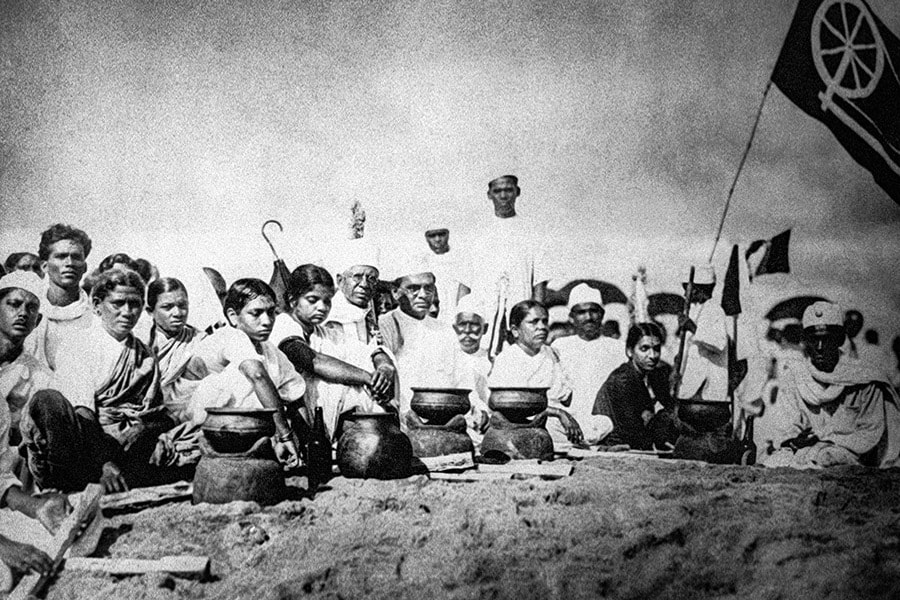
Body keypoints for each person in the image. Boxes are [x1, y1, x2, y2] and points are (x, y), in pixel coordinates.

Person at [20, 269, 174, 493]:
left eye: (135, 304)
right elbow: (83, 413)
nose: (127, 312)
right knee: (48, 400)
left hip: (130, 443)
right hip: (84, 445)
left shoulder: (145, 354)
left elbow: (159, 414)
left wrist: (144, 427)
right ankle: (71, 487)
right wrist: (105, 464)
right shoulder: (79, 344)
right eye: (118, 303)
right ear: (96, 305)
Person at [762, 301, 900, 469]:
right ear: (805, 340)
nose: (819, 347)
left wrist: (826, 442)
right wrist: (794, 440)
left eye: (826, 339)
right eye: (814, 339)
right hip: (802, 451)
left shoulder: (865, 381)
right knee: (772, 463)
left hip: (848, 456)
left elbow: (870, 431)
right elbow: (788, 425)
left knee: (824, 458)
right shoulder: (795, 377)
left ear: (839, 339)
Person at [0, 270, 71, 587]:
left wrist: (34, 505)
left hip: (20, 472)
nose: (22, 313)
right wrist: (5, 547)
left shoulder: (34, 374)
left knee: (49, 545)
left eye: (30, 307)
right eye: (14, 304)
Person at [186, 279, 304, 467]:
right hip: (198, 421)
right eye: (256, 313)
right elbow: (257, 376)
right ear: (233, 317)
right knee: (249, 378)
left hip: (238, 424)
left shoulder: (270, 350)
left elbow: (295, 391)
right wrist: (285, 436)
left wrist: (306, 439)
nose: (267, 321)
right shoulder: (230, 336)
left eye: (271, 312)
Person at [270, 264, 392, 440]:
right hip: (289, 417)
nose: (322, 307)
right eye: (312, 300)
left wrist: (384, 366)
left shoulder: (323, 333)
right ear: (292, 299)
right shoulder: (283, 325)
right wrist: (367, 377)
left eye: (327, 301)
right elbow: (313, 361)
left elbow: (368, 351)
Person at [489, 300, 612, 446]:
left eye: (544, 321)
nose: (541, 327)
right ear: (516, 330)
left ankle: (575, 443)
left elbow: (565, 396)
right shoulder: (508, 358)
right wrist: (558, 413)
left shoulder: (551, 353)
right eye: (533, 322)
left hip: (557, 417)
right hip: (527, 420)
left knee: (605, 422)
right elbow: (510, 404)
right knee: (549, 427)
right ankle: (578, 444)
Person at [472, 176, 548, 358]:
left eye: (508, 190)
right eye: (498, 191)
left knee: (518, 358)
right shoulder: (478, 232)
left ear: (517, 192)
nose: (503, 195)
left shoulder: (532, 232)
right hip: (485, 308)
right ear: (489, 195)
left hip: (519, 306)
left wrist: (535, 320)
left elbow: (539, 282)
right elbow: (465, 282)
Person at [379, 261, 465, 416]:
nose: (423, 295)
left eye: (428, 288)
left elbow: (463, 378)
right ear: (395, 292)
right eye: (413, 288)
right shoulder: (385, 324)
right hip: (401, 419)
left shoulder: (445, 331)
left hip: (444, 418)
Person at [552, 284, 625, 434]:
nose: (588, 317)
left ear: (602, 314)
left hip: (607, 421)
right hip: (570, 422)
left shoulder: (618, 348)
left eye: (593, 311)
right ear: (571, 317)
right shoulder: (560, 346)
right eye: (581, 312)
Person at [24, 224, 94, 370]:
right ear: (44, 266)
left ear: (85, 267)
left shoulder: (94, 317)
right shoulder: (25, 312)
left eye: (76, 257)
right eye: (61, 256)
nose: (69, 263)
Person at [593, 322, 674, 450]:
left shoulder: (653, 375)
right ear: (630, 351)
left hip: (636, 443)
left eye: (656, 349)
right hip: (615, 445)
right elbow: (632, 429)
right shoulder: (622, 379)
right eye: (644, 349)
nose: (652, 356)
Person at [145, 278, 206, 422]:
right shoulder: (141, 342)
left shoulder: (199, 340)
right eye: (167, 307)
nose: (178, 313)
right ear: (150, 311)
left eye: (182, 305)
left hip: (181, 414)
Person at [674, 265, 728, 402]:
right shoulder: (694, 310)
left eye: (686, 289)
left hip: (708, 388)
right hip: (690, 385)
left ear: (697, 290)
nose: (685, 294)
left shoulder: (715, 310)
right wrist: (676, 368)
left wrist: (692, 328)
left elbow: (719, 344)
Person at [452, 295, 491, 434]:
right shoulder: (448, 359)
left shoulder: (492, 360)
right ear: (454, 327)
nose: (467, 330)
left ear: (484, 329)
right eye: (462, 324)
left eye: (474, 324)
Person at [422, 224, 471, 324]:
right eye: (432, 236)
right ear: (427, 238)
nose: (437, 239)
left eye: (441, 234)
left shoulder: (461, 259)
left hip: (455, 318)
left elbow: (464, 296)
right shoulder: (423, 262)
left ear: (448, 234)